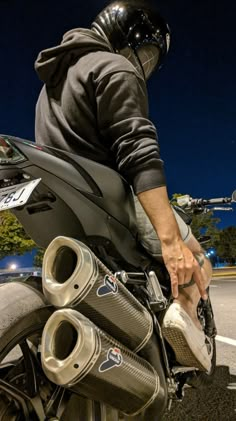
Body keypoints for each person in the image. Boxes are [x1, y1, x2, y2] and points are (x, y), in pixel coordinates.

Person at [34, 0, 213, 371]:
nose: (143, 64)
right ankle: (183, 311)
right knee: (196, 259)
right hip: (109, 200)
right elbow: (139, 153)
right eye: (145, 53)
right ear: (127, 37)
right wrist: (171, 241)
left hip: (66, 203)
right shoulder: (115, 67)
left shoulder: (53, 84)